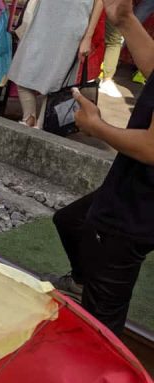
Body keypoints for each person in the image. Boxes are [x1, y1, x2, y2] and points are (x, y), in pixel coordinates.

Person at [45, 0, 154, 336]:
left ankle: (102, 377)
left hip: (134, 208)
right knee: (70, 220)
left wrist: (97, 126)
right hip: (130, 191)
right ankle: (81, 282)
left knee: (101, 327)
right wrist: (124, 19)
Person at [9, 0, 103, 127]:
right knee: (23, 72)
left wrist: (88, 36)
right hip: (42, 19)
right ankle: (29, 118)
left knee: (56, 83)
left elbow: (100, 2)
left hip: (71, 26)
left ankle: (42, 126)